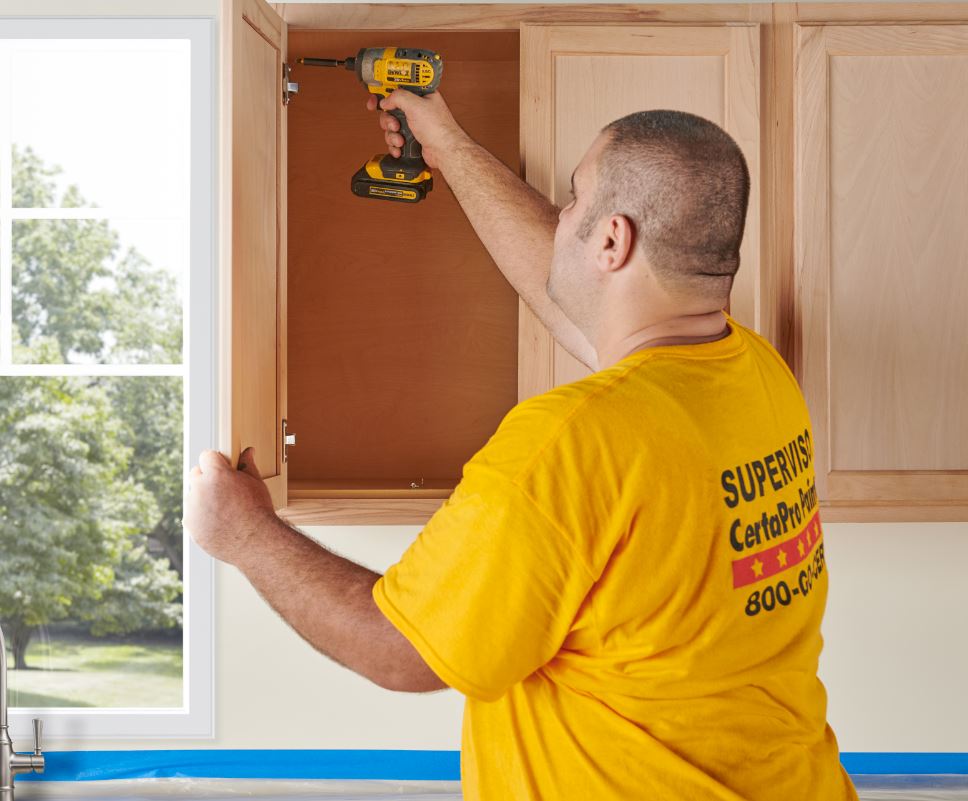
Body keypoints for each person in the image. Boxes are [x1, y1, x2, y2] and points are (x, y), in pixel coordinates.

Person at [186, 89, 859, 801]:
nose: (561, 214)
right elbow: (564, 286)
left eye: (574, 198)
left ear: (612, 241)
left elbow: (402, 651)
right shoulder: (752, 373)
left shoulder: (569, 441)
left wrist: (246, 534)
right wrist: (446, 146)